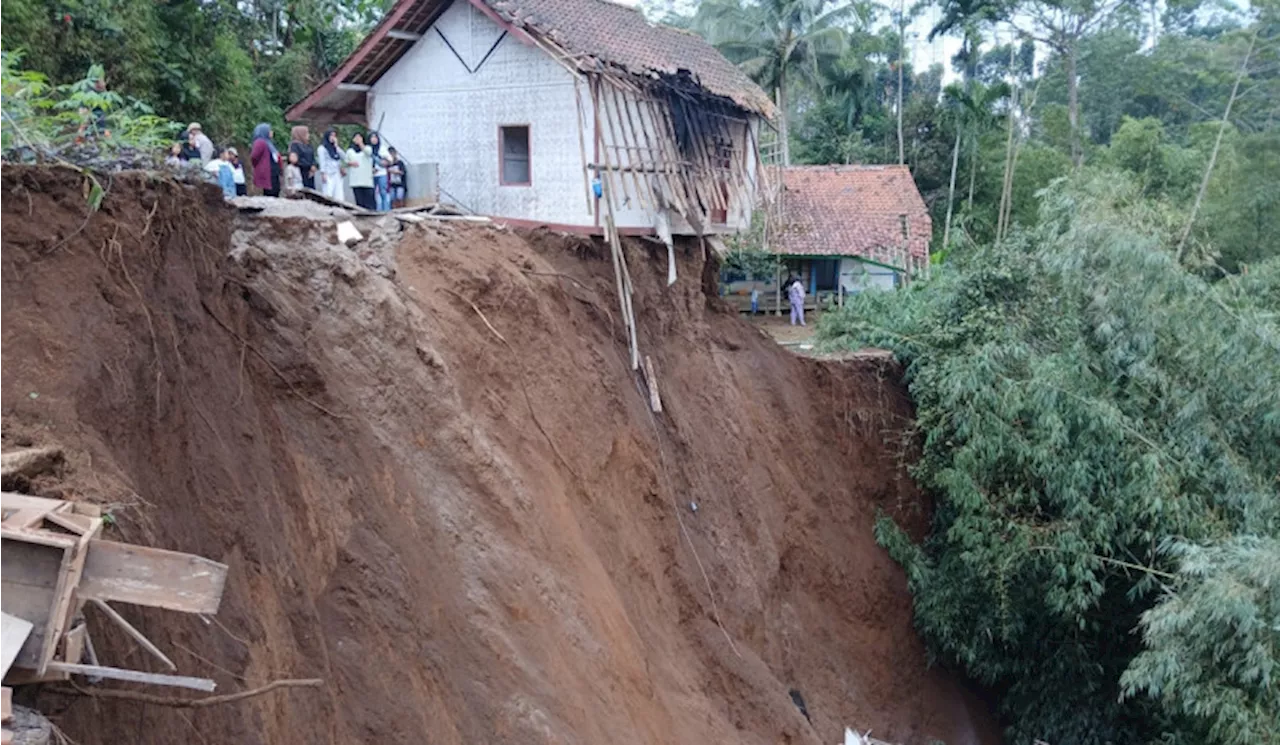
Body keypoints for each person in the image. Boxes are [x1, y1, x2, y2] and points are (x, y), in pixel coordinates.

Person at [250, 123, 281, 197]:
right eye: (269, 130)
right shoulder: (260, 142)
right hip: (267, 173)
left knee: (275, 192)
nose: (271, 132)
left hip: (273, 172)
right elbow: (254, 157)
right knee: (270, 193)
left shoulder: (269, 143)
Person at [346, 133, 375, 210]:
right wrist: (350, 163)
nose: (357, 139)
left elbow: (367, 152)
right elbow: (346, 162)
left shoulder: (368, 148)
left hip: (367, 181)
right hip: (356, 181)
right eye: (356, 137)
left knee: (369, 203)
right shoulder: (350, 151)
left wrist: (361, 144)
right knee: (359, 203)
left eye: (359, 137)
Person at [317, 129, 344, 201]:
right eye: (331, 135)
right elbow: (322, 161)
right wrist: (323, 173)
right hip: (328, 173)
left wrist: (336, 146)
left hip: (337, 173)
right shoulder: (322, 148)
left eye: (334, 136)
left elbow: (344, 157)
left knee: (338, 194)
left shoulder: (335, 148)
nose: (333, 137)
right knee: (328, 192)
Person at [288, 126, 316, 190]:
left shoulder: (308, 145)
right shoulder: (294, 145)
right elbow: (293, 159)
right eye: (306, 133)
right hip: (300, 172)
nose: (308, 135)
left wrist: (313, 165)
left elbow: (312, 156)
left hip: (309, 173)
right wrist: (308, 165)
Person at [368, 132, 389, 210]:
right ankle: (374, 209)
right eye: (372, 138)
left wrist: (383, 163)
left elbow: (389, 160)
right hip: (371, 174)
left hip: (381, 173)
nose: (374, 139)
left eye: (375, 137)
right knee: (372, 193)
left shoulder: (382, 148)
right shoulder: (368, 149)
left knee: (383, 192)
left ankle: (386, 210)